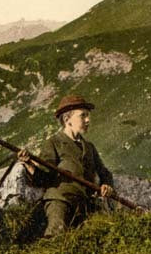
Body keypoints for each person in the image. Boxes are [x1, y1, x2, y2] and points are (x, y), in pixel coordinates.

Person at [17, 95, 115, 237]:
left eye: (88, 115)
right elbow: (44, 177)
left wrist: (106, 185)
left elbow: (104, 173)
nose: (88, 120)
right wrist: (29, 165)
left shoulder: (89, 147)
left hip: (85, 204)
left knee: (103, 233)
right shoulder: (54, 143)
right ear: (67, 119)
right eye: (83, 115)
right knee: (56, 234)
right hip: (60, 200)